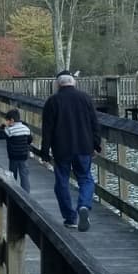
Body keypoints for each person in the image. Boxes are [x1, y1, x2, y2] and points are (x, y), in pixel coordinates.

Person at [40, 70, 101, 231]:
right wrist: (96, 145)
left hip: (62, 149)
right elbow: (94, 124)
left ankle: (70, 218)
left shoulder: (52, 101)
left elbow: (47, 130)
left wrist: (44, 153)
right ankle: (84, 206)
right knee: (86, 179)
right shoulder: (85, 98)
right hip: (84, 147)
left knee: (62, 181)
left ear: (58, 84)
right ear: (73, 82)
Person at [0, 108, 33, 192]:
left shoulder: (10, 130)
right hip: (24, 156)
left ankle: (14, 192)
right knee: (24, 175)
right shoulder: (26, 128)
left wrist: (3, 126)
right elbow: (30, 139)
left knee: (13, 175)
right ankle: (26, 194)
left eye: (7, 121)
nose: (7, 122)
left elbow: (0, 136)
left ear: (12, 120)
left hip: (13, 156)